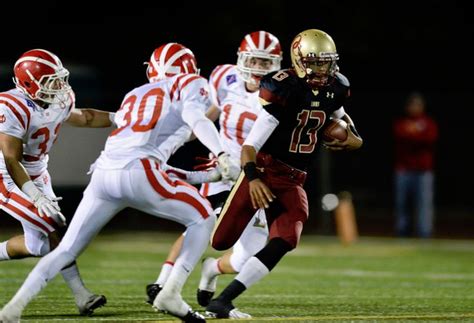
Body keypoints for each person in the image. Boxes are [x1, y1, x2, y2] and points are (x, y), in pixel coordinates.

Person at [0, 43, 240, 323]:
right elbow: (192, 120)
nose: (59, 85)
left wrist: (205, 177)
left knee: (58, 247)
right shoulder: (188, 86)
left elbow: (153, 161)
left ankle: (11, 310)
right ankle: (170, 292)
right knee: (202, 218)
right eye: (51, 80)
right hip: (16, 173)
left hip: (103, 173)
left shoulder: (135, 95)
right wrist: (222, 154)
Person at [205, 29, 363, 318]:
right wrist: (252, 179)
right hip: (264, 171)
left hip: (294, 179)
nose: (322, 69)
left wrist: (353, 138)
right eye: (315, 62)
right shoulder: (284, 87)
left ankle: (224, 301)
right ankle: (205, 269)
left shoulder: (336, 87)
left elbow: (342, 119)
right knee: (221, 242)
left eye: (326, 62)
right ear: (299, 61)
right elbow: (250, 146)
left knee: (288, 237)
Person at [145, 31, 283, 316]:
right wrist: (177, 139)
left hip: (258, 176)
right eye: (253, 59)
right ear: (241, 58)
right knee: (203, 220)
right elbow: (207, 115)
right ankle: (162, 284)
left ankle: (212, 268)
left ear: (277, 63)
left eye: (265, 62)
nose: (257, 67)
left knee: (249, 254)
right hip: (224, 169)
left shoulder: (284, 91)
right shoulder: (223, 77)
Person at [0, 49, 114, 316]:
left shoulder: (60, 100)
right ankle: (81, 295)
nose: (59, 86)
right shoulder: (10, 106)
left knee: (38, 245)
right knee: (51, 225)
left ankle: (81, 296)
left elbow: (83, 117)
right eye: (51, 81)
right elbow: (11, 158)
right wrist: (36, 197)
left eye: (59, 78)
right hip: (6, 175)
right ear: (29, 83)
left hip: (38, 172)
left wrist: (119, 117)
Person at [393, 92, 438, 238]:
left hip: (424, 171)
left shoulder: (428, 123)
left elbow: (429, 139)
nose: (415, 108)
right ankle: (402, 233)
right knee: (402, 204)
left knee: (424, 204)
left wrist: (413, 134)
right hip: (403, 170)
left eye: (418, 105)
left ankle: (424, 234)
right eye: (412, 105)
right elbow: (400, 136)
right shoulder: (401, 123)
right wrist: (416, 134)